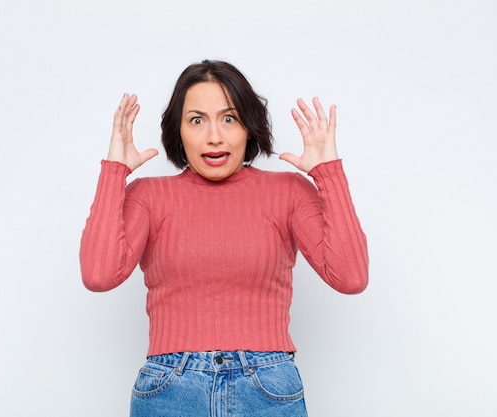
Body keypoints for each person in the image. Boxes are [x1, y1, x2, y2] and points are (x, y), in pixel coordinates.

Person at [79, 59, 368, 417]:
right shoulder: (148, 196)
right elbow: (98, 275)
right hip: (170, 389)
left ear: (249, 126)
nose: (214, 136)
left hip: (266, 387)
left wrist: (328, 173)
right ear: (178, 130)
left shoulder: (289, 191)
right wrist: (114, 173)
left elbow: (351, 277)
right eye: (196, 120)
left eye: (229, 118)